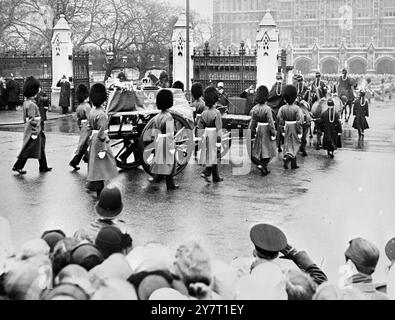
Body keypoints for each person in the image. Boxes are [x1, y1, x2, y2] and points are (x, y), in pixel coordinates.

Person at [12, 77, 52, 175]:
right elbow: (34, 119)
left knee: (41, 147)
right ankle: (18, 166)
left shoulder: (26, 103)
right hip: (34, 130)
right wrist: (34, 132)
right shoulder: (32, 105)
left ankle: (43, 166)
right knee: (28, 149)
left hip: (34, 129)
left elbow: (25, 118)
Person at [86, 83, 118, 197]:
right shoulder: (102, 114)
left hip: (94, 140)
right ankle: (100, 194)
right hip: (100, 142)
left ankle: (92, 185)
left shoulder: (92, 111)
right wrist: (106, 142)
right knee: (103, 167)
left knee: (97, 167)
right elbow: (102, 133)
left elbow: (89, 128)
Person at [148, 89, 179, 191]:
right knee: (170, 164)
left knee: (161, 162)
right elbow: (170, 134)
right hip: (167, 142)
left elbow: (153, 132)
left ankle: (157, 178)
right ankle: (170, 185)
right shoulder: (169, 117)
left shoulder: (157, 117)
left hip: (158, 141)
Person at [249, 85, 277, 176]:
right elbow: (271, 122)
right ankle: (262, 165)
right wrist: (273, 132)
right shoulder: (267, 109)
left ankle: (263, 168)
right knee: (268, 150)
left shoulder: (255, 108)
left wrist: (251, 131)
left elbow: (252, 122)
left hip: (259, 129)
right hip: (266, 129)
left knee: (260, 149)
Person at [198, 87, 224, 183]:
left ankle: (216, 177)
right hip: (214, 134)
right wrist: (219, 141)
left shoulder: (204, 113)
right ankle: (206, 172)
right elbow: (219, 128)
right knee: (215, 156)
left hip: (206, 134)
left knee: (211, 156)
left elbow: (200, 126)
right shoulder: (217, 113)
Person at [277, 85, 303, 170]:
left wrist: (282, 130)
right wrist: (299, 132)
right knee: (295, 145)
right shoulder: (297, 108)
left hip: (286, 127)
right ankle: (287, 159)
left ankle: (293, 164)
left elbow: (279, 119)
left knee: (287, 145)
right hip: (294, 127)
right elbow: (300, 121)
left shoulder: (282, 108)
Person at [69, 84, 92, 171]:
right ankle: (87, 158)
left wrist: (80, 127)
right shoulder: (87, 106)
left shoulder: (79, 107)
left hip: (83, 127)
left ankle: (75, 161)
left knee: (83, 145)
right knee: (85, 144)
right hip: (88, 127)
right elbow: (90, 118)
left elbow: (78, 120)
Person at [268, 73, 286, 153]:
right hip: (280, 109)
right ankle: (281, 143)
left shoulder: (273, 87)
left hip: (272, 108)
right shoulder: (284, 87)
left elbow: (270, 97)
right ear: (282, 79)